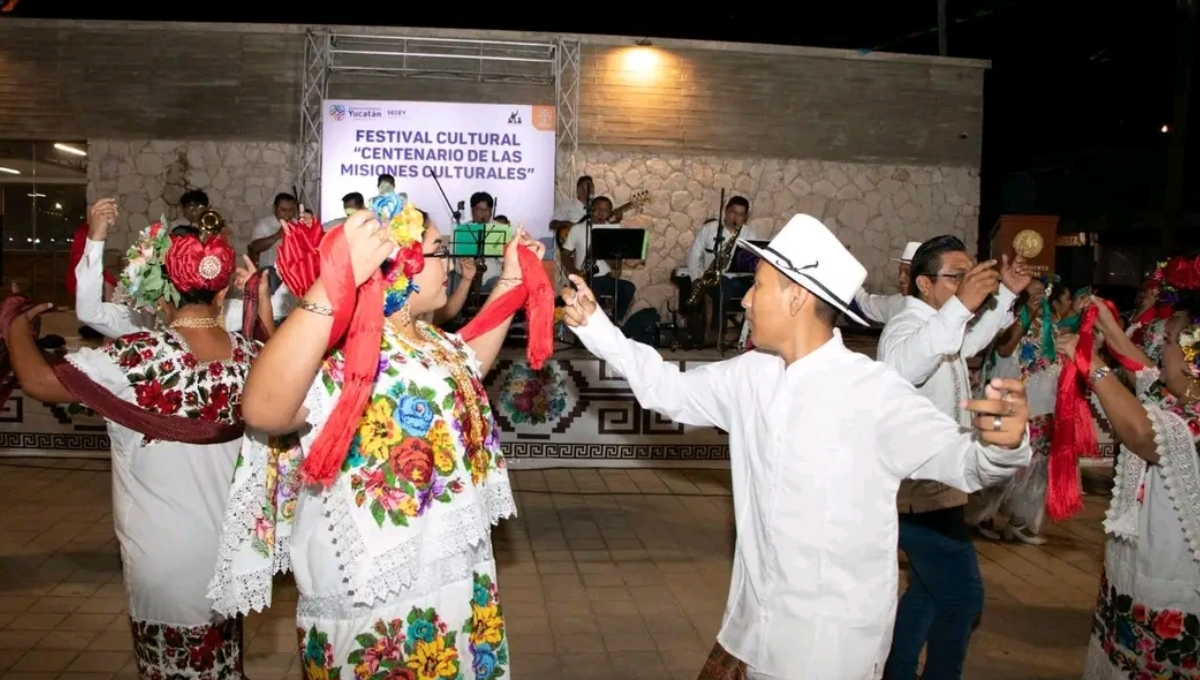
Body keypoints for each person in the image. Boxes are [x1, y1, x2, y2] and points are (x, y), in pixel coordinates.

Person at [561, 213, 1033, 679]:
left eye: (758, 286)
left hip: (832, 648)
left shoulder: (873, 392)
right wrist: (599, 330)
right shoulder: (750, 375)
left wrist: (1003, 446)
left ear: (797, 297)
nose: (745, 300)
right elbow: (666, 387)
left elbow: (966, 462)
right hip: (757, 632)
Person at [222, 195, 550, 678]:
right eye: (438, 251)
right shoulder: (339, 346)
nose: (449, 265)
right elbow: (265, 410)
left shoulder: (428, 338)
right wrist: (337, 281)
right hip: (373, 588)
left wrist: (513, 279)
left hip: (447, 567)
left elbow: (469, 364)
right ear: (402, 265)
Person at [3, 227, 270, 680]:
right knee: (222, 664)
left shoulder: (137, 358)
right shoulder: (251, 356)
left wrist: (12, 321)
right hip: (230, 551)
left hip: (162, 555)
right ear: (223, 289)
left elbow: (36, 381)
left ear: (163, 287)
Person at [878, 235, 1031, 680]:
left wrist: (1006, 293)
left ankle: (897, 671)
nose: (967, 284)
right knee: (964, 598)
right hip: (918, 487)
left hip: (939, 484)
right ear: (925, 284)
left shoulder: (941, 329)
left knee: (928, 590)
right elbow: (906, 368)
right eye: (955, 276)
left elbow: (967, 343)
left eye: (970, 274)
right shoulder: (905, 328)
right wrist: (964, 305)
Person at [1073, 295, 1200, 679]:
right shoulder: (1185, 398)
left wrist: (1093, 367)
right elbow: (1150, 381)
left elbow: (1144, 433)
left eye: (1172, 341)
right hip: (1149, 557)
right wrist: (1110, 328)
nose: (1163, 347)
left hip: (1176, 569)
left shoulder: (1191, 421)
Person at [73, 198, 274, 339]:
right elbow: (90, 313)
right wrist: (94, 239)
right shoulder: (142, 323)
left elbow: (272, 331)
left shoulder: (226, 316)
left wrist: (257, 296)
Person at [685, 196, 760, 337]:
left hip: (740, 281)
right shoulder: (708, 230)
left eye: (741, 214)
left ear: (745, 217)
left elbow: (754, 264)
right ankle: (717, 331)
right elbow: (694, 256)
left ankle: (754, 335)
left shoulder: (749, 234)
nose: (736, 217)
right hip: (713, 280)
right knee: (723, 285)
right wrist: (695, 279)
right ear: (725, 211)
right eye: (733, 212)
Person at [558, 196, 637, 321]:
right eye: (598, 209)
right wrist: (573, 271)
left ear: (609, 214)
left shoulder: (613, 231)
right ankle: (593, 324)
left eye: (605, 210)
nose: (601, 213)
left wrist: (603, 248)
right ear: (591, 210)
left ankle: (615, 321)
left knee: (628, 287)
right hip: (584, 278)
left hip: (605, 278)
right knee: (593, 295)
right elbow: (564, 255)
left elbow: (617, 266)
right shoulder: (577, 229)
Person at [853, 241, 921, 324]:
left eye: (907, 273)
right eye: (900, 271)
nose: (901, 278)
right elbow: (866, 303)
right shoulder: (895, 303)